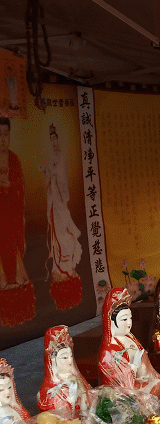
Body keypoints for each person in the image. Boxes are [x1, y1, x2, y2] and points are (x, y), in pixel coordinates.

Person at [43, 124, 84, 306]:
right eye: (50, 140)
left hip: (61, 202)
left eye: (55, 139)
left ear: (58, 139)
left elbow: (62, 179)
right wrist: (47, 173)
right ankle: (61, 277)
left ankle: (69, 271)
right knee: (57, 240)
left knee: (67, 237)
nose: (53, 142)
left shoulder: (60, 158)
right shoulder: (51, 158)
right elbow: (48, 182)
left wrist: (51, 172)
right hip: (53, 203)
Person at [0, 117, 34, 326]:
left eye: (6, 134)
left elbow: (20, 191)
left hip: (12, 219)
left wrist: (10, 185)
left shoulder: (13, 159)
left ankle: (20, 311)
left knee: (16, 261)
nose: (3, 138)